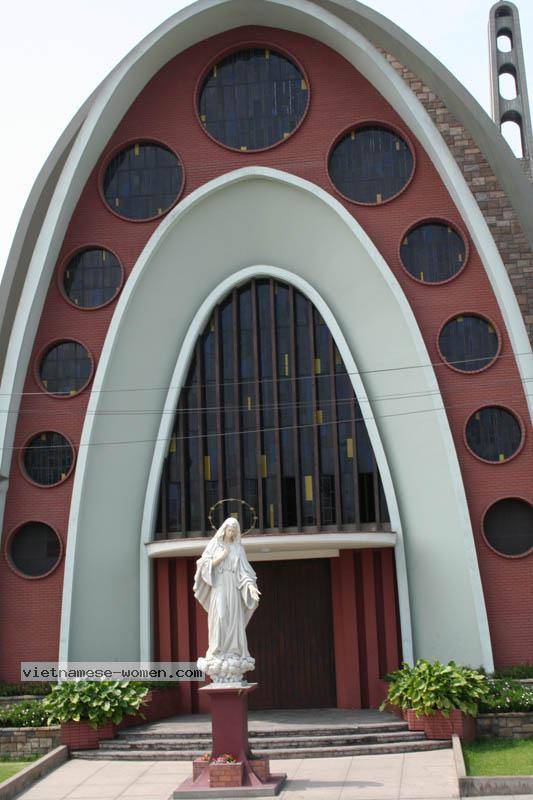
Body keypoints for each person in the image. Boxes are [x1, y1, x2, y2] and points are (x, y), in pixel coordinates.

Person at [193, 517, 260, 683]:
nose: (233, 534)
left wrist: (250, 586)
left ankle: (233, 651)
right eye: (231, 530)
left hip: (234, 587)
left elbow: (244, 571)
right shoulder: (215, 545)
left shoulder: (238, 549)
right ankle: (217, 651)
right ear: (224, 530)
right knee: (220, 617)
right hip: (220, 585)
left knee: (233, 619)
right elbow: (203, 564)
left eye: (235, 531)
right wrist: (220, 558)